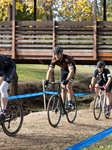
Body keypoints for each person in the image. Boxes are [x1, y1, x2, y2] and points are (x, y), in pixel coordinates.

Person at [44, 46, 76, 110]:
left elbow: (71, 71)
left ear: (61, 53)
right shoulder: (54, 60)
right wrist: (47, 80)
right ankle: (63, 105)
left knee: (68, 86)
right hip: (63, 70)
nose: (56, 56)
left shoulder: (67, 58)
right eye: (55, 54)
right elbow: (50, 70)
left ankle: (70, 104)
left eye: (58, 54)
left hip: (71, 71)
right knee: (62, 87)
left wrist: (67, 80)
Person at [0, 54, 16, 121]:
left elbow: (1, 77)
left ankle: (3, 111)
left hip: (10, 67)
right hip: (3, 69)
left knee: (2, 88)